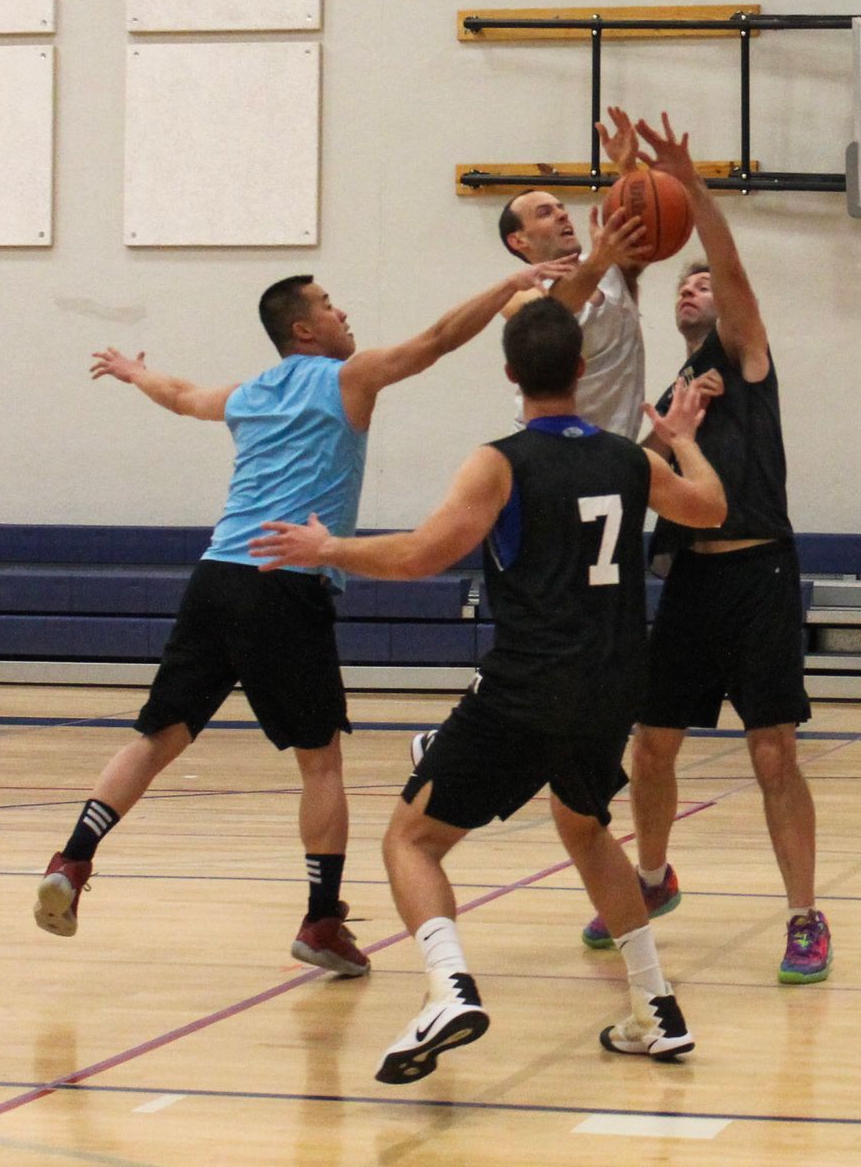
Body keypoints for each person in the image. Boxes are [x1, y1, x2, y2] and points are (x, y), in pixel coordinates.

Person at [33, 261, 563, 973]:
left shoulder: (251, 393)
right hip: (285, 580)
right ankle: (320, 921)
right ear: (304, 329)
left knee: (158, 734)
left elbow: (184, 394)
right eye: (330, 305)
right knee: (320, 763)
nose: (344, 314)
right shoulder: (348, 378)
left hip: (216, 574)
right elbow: (437, 339)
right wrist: (507, 287)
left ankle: (72, 857)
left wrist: (132, 371)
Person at [251, 298, 726, 1081]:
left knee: (411, 837)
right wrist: (680, 442)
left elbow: (419, 555)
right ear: (580, 368)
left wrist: (326, 545)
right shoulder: (629, 458)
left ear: (510, 372)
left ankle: (448, 989)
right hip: (612, 684)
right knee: (584, 826)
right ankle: (656, 1004)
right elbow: (709, 507)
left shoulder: (499, 460)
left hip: (529, 683)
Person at [579, 114, 831, 985]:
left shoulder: (748, 358)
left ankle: (805, 914)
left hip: (758, 571)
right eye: (681, 287)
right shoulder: (674, 392)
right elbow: (640, 470)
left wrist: (692, 189)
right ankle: (650, 879)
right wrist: (668, 437)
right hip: (686, 576)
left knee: (772, 754)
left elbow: (732, 272)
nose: (693, 292)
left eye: (701, 287)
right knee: (651, 746)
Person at [496, 107, 652, 438]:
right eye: (545, 212)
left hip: (611, 449)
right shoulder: (519, 293)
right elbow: (550, 315)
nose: (563, 215)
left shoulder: (607, 267)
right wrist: (598, 261)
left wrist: (627, 169)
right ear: (519, 240)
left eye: (562, 208)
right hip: (546, 450)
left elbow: (645, 228)